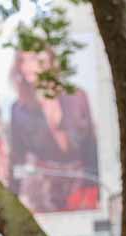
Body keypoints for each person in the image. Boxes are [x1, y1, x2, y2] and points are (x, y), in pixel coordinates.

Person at [5, 48, 99, 213]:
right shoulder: (18, 108)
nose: (27, 66)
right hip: (41, 189)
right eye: (22, 60)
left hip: (79, 183)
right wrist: (11, 201)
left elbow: (91, 146)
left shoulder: (77, 96)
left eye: (33, 59)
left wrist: (93, 188)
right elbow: (17, 157)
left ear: (50, 60)